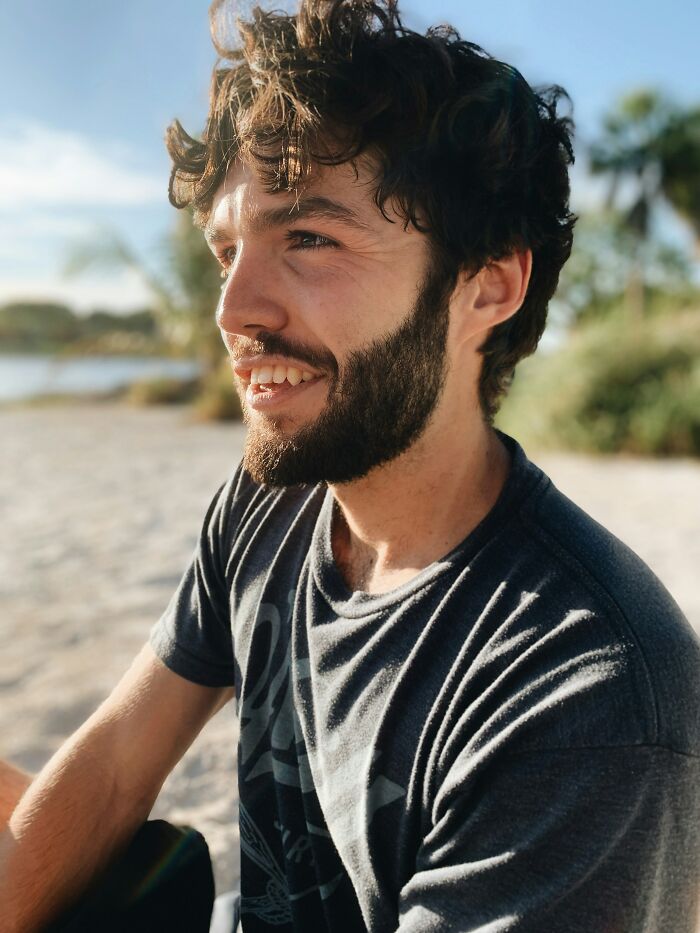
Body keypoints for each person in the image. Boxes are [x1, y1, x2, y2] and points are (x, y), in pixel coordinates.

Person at [2, 0, 700, 930]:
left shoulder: (585, 693)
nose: (233, 310)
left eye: (310, 239)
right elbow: (118, 764)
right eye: (227, 251)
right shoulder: (269, 501)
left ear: (489, 284)